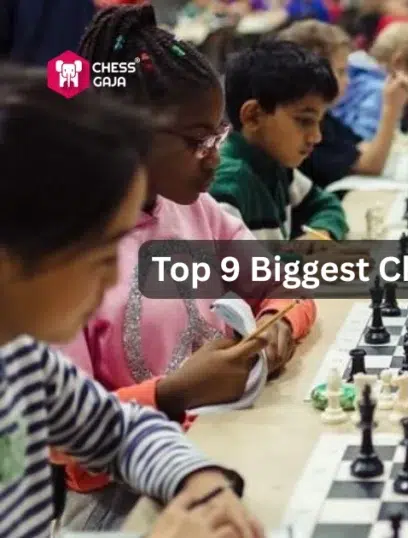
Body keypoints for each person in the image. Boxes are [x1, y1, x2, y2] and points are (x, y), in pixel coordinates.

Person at [49, 6, 318, 531]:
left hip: (215, 452)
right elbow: (65, 438)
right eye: (197, 141)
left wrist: (277, 322)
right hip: (116, 502)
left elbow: (289, 287)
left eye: (217, 136)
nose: (214, 156)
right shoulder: (59, 260)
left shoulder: (198, 211)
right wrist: (173, 393)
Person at [0, 63, 263, 538]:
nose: (114, 279)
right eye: (103, 255)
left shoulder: (23, 363)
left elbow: (122, 430)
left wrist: (198, 480)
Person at [210, 39, 347, 240]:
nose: (316, 137)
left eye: (319, 122)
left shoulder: (274, 164)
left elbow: (327, 205)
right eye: (305, 121)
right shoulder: (226, 185)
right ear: (253, 116)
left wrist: (318, 236)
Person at [278, 19, 408, 185]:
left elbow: (360, 148)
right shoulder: (304, 126)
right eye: (341, 72)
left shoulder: (326, 118)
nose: (348, 81)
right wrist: (391, 107)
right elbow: (369, 165)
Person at [333, 21, 408, 141]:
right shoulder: (379, 92)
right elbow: (365, 146)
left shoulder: (356, 70)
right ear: (398, 63)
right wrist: (394, 110)